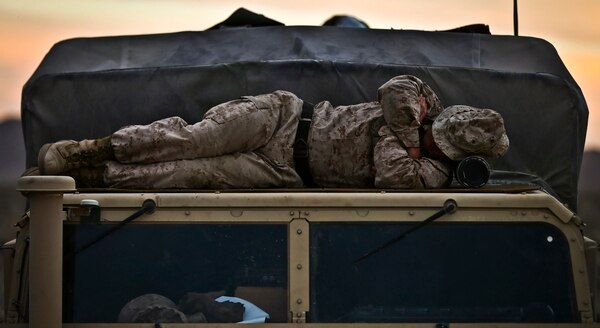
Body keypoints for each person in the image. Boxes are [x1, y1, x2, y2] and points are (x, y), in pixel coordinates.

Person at [35, 75, 509, 189]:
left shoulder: (432, 176)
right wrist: (412, 130)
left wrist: (404, 135)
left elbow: (391, 172)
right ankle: (86, 151)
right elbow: (396, 89)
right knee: (191, 139)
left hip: (282, 171)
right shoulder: (425, 105)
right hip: (283, 117)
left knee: (187, 175)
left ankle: (94, 180)